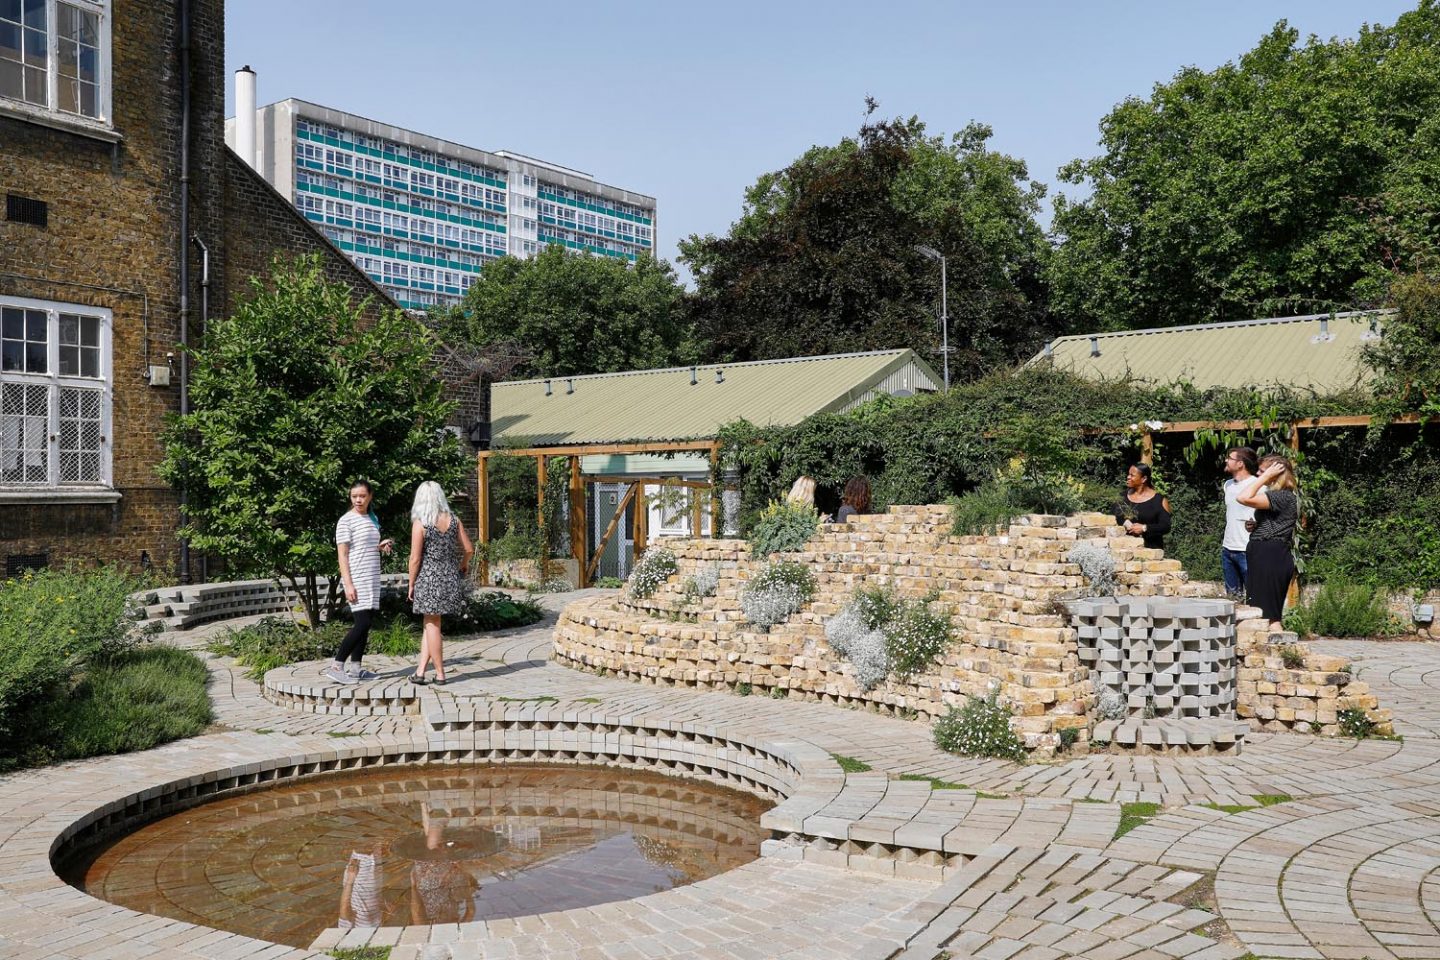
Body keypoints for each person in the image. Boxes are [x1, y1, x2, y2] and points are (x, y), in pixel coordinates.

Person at [408, 481, 474, 685]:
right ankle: (419, 672)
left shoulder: (421, 523)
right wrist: (463, 565)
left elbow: (415, 559)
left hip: (429, 579)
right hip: (449, 577)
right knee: (431, 624)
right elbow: (469, 549)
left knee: (432, 624)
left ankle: (440, 673)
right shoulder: (454, 520)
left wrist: (411, 583)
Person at [331, 479, 394, 684]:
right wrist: (348, 584)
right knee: (362, 622)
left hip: (372, 577)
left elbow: (364, 546)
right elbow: (343, 555)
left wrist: (380, 546)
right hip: (356, 578)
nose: (358, 500)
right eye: (354, 496)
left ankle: (356, 669)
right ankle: (337, 665)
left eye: (362, 496)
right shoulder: (345, 521)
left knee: (366, 624)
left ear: (370, 497)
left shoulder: (371, 518)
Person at [1237, 455, 1299, 633]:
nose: (1258, 474)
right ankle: (1266, 655)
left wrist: (1263, 478)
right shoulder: (1279, 497)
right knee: (1260, 612)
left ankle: (1282, 654)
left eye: (1262, 471)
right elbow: (1277, 523)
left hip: (1271, 556)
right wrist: (1257, 527)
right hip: (1266, 553)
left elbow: (1243, 497)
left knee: (1270, 617)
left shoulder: (1282, 496)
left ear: (1276, 472)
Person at [1221, 447, 1259, 598]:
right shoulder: (1228, 485)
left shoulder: (1258, 485)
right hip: (1227, 549)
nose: (1226, 460)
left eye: (1229, 458)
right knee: (1232, 599)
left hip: (1247, 549)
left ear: (1240, 464)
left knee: (1254, 598)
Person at [1115, 463, 1172, 550]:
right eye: (1128, 474)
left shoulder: (1159, 501)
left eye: (1132, 475)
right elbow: (1115, 515)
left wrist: (1144, 528)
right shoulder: (1122, 497)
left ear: (1144, 479)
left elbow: (1165, 526)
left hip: (1151, 552)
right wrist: (1128, 524)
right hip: (1124, 550)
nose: (1128, 477)